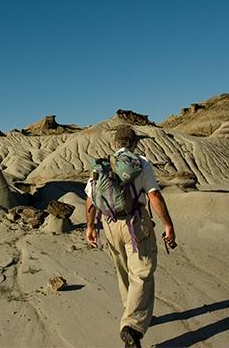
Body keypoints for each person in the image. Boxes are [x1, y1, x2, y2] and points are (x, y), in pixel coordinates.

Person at [84, 125, 176, 348]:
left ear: (114, 144)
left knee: (123, 270)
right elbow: (153, 195)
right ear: (134, 143)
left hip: (110, 223)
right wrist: (168, 224)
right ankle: (132, 327)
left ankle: (131, 311)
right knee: (142, 272)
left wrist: (90, 227)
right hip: (136, 223)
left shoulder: (102, 165)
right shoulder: (141, 162)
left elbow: (90, 197)